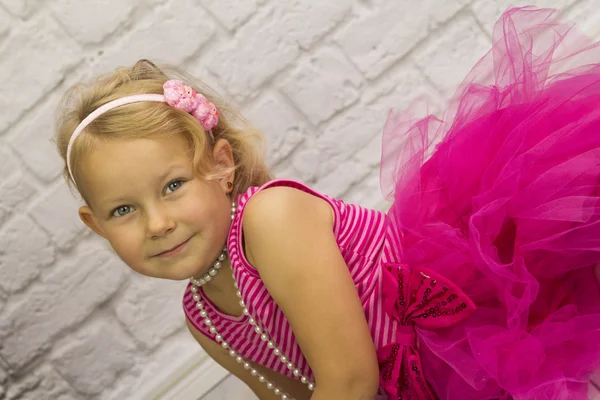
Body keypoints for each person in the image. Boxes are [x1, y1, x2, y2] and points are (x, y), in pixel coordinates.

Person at [54, 6, 600, 400]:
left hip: (463, 334)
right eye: (123, 210)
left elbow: (350, 381)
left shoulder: (271, 218)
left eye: (172, 185)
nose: (158, 222)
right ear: (95, 225)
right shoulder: (205, 318)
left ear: (221, 166)